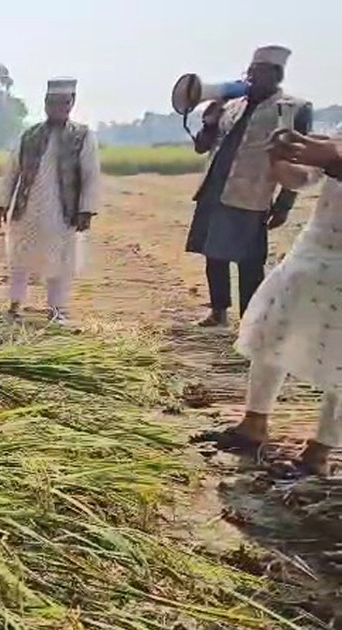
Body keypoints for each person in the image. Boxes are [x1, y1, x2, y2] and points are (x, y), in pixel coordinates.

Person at [214, 131, 342, 475]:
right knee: (273, 327)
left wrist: (331, 156)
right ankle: (254, 422)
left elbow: (333, 159)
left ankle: (320, 451)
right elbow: (301, 178)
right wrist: (280, 158)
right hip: (313, 248)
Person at [186, 45, 313, 328]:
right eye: (251, 71)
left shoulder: (293, 109)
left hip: (252, 195)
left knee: (249, 262)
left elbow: (297, 160)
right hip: (214, 190)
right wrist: (208, 122)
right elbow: (202, 146)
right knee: (213, 254)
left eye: (260, 72)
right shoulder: (231, 106)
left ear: (276, 76)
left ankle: (251, 321)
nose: (252, 77)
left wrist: (284, 204)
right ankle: (218, 311)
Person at [0, 78, 102, 324]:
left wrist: (86, 210)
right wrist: (2, 203)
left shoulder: (82, 136)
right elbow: (12, 171)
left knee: (61, 260)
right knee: (19, 258)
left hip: (62, 211)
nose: (58, 107)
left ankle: (56, 310)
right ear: (45, 103)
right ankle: (14, 306)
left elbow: (90, 176)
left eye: (64, 103)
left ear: (72, 103)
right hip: (28, 208)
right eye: (52, 102)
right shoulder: (30, 135)